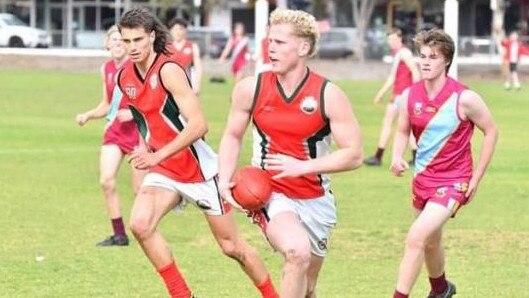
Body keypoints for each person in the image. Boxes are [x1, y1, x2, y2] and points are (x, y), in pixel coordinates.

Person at [116, 8, 278, 298]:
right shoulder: (124, 76)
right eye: (126, 41)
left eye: (138, 40)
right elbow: (145, 122)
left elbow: (199, 125)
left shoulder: (169, 70)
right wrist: (146, 155)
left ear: (152, 37)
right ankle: (182, 294)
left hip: (197, 171)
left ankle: (272, 295)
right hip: (164, 170)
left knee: (232, 247)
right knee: (140, 225)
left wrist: (155, 156)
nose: (132, 47)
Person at [218, 9, 363, 298]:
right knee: (296, 252)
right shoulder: (251, 88)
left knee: (307, 287)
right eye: (270, 41)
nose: (271, 48)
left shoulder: (328, 94)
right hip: (270, 193)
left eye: (280, 42)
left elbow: (355, 154)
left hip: (316, 199)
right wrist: (223, 180)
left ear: (304, 47)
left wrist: (302, 167)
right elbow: (232, 135)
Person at [390, 29, 498, 298]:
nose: (425, 62)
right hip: (422, 179)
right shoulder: (410, 95)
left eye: (433, 57)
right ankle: (441, 289)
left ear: (446, 61)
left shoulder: (465, 98)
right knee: (430, 242)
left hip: (454, 181)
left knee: (416, 237)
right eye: (422, 56)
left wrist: (475, 180)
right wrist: (396, 155)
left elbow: (492, 131)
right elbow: (403, 129)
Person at [75, 25, 145, 247]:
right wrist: (88, 115)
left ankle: (147, 229)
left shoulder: (136, 68)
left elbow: (152, 101)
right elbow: (107, 105)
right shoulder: (105, 69)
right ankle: (119, 235)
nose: (116, 43)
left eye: (120, 40)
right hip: (115, 132)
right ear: (106, 44)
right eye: (112, 40)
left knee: (139, 190)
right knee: (106, 181)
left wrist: (133, 112)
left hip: (137, 134)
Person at [364, 28, 420, 167]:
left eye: (393, 40)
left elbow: (414, 70)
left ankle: (378, 157)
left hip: (402, 95)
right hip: (399, 95)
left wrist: (417, 92)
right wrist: (381, 93)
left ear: (400, 39)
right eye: (389, 40)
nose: (391, 43)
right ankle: (415, 158)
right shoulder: (398, 54)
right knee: (404, 126)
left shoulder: (404, 53)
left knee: (391, 124)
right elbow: (393, 78)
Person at [167, 17, 203, 95]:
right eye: (175, 29)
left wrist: (197, 84)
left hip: (187, 84)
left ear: (185, 30)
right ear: (171, 31)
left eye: (181, 29)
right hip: (170, 85)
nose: (178, 32)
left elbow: (198, 67)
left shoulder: (192, 46)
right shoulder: (166, 48)